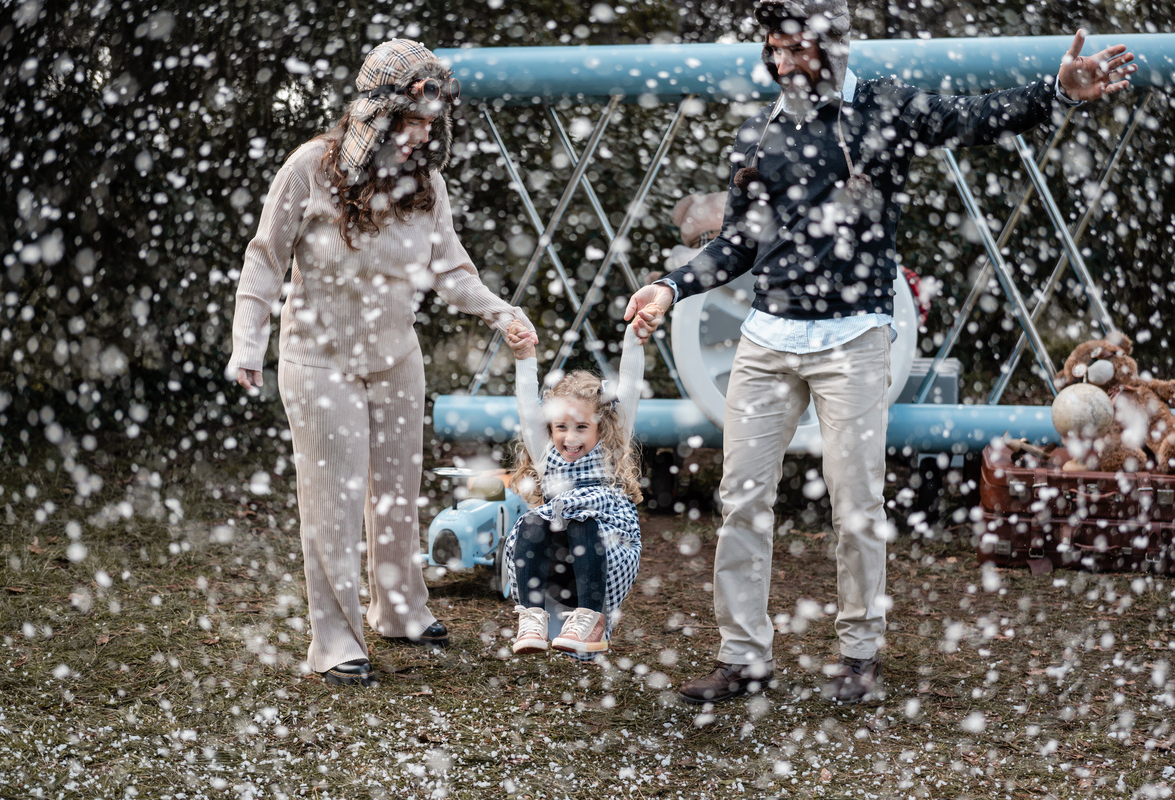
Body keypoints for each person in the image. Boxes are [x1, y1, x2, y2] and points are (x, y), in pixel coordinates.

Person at [625, 0, 1136, 705]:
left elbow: (973, 116)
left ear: (832, 46)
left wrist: (1055, 93)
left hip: (854, 338)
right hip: (767, 340)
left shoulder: (884, 108)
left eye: (797, 49)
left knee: (857, 504)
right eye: (774, 49)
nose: (783, 63)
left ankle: (859, 655)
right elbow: (739, 242)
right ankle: (742, 659)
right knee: (741, 501)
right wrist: (670, 285)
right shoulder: (760, 129)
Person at [228, 40, 537, 687]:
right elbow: (265, 257)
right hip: (320, 362)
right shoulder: (310, 168)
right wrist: (247, 344)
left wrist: (499, 311)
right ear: (375, 113)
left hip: (396, 358)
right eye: (410, 121)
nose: (421, 134)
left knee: (397, 493)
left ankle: (398, 609)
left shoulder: (427, 185)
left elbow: (451, 269)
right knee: (334, 503)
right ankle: (336, 641)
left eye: (429, 123)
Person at [501, 320, 650, 656]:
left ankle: (592, 621)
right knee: (532, 521)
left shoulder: (610, 449)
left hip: (602, 566)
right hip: (556, 571)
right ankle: (532, 618)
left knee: (583, 520)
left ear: (600, 427)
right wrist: (524, 356)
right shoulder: (546, 455)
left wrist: (635, 336)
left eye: (582, 427)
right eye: (561, 427)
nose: (570, 438)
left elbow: (630, 385)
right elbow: (527, 405)